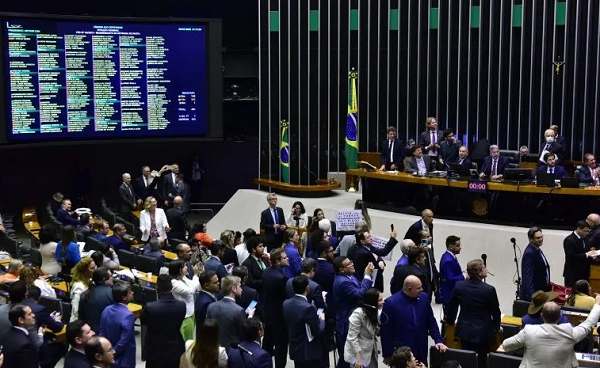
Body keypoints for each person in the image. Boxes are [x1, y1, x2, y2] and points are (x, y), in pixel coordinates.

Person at [500, 296, 600, 367]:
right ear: (560, 316)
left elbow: (506, 345)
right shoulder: (569, 331)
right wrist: (597, 304)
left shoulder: (528, 331)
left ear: (541, 316)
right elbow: (589, 324)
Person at [445, 259, 501, 368]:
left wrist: (450, 321)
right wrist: (497, 328)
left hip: (465, 330)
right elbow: (495, 311)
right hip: (483, 332)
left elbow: (452, 306)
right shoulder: (488, 289)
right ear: (479, 272)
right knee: (481, 362)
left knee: (467, 359)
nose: (487, 270)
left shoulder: (459, 286)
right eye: (484, 267)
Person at [381, 275, 447, 366]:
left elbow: (431, 321)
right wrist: (387, 354)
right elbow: (386, 331)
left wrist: (438, 340)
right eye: (418, 288)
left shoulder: (424, 298)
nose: (422, 290)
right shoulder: (391, 303)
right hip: (403, 354)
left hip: (421, 348)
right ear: (409, 289)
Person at [333, 256, 374, 368]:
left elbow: (360, 287)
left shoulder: (349, 277)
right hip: (346, 321)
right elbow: (359, 295)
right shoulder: (342, 282)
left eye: (351, 261)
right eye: (349, 264)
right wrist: (367, 275)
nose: (352, 264)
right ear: (342, 269)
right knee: (347, 357)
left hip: (351, 318)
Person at [141, 274, 186, 368]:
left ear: (157, 287)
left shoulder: (150, 307)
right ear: (171, 287)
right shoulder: (182, 306)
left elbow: (144, 322)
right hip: (175, 350)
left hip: (155, 351)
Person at [283, 275, 326, 368]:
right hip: (308, 352)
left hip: (295, 348)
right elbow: (317, 331)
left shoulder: (286, 303)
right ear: (307, 288)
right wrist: (322, 319)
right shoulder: (308, 308)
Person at [23, 285, 66, 368]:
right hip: (34, 343)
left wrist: (47, 317)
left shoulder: (19, 304)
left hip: (22, 338)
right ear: (39, 298)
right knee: (60, 347)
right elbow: (57, 328)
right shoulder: (40, 309)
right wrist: (57, 321)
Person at [206, 276, 253, 349]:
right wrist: (250, 317)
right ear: (234, 289)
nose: (241, 290)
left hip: (215, 350)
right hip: (233, 351)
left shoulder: (211, 306)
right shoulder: (239, 310)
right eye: (239, 287)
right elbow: (244, 334)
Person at [261, 248, 290, 368]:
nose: (287, 258)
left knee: (268, 341)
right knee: (281, 345)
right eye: (284, 257)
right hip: (279, 315)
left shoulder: (266, 271)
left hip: (268, 311)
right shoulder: (282, 278)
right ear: (278, 262)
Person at [344, 288, 384, 368]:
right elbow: (352, 338)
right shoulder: (357, 314)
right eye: (380, 300)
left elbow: (373, 330)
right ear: (372, 302)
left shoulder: (375, 311)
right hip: (358, 353)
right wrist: (358, 358)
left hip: (370, 350)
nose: (383, 302)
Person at [99, 282, 135, 368]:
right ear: (124, 297)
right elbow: (124, 340)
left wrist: (106, 352)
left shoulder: (106, 309)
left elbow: (102, 333)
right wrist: (113, 352)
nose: (133, 293)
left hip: (107, 355)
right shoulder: (128, 315)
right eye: (130, 292)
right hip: (124, 358)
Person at [168, 260, 200, 342]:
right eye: (184, 266)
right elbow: (191, 290)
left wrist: (195, 278)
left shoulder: (183, 278)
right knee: (186, 340)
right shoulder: (173, 283)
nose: (187, 268)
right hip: (184, 316)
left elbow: (194, 284)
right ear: (179, 269)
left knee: (190, 338)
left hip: (191, 312)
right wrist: (196, 275)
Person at [4, 303, 40, 368]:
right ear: (21, 320)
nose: (33, 315)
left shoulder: (6, 333)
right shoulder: (25, 345)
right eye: (29, 314)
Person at [78, 267, 114, 332]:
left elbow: (81, 317)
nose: (113, 278)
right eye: (111, 276)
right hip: (106, 332)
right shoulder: (112, 293)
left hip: (89, 332)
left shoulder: (84, 294)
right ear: (104, 279)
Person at [520, 227, 551, 301]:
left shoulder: (537, 249)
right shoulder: (530, 253)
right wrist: (532, 297)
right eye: (537, 238)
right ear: (531, 239)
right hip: (535, 294)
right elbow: (527, 276)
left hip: (541, 291)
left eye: (541, 237)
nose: (541, 239)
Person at [439, 236, 465, 317]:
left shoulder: (450, 256)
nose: (460, 248)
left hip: (452, 293)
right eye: (457, 246)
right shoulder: (448, 260)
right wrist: (463, 276)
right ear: (451, 246)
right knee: (450, 318)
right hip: (449, 295)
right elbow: (450, 279)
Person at [563, 220, 594, 288]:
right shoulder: (569, 240)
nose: (587, 233)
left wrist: (592, 252)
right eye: (585, 231)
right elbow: (571, 256)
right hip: (573, 274)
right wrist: (586, 254)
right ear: (578, 229)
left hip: (584, 273)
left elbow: (586, 250)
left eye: (588, 231)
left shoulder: (585, 239)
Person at [70, 257, 97, 322]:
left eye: (95, 266)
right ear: (84, 270)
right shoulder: (79, 287)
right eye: (92, 268)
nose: (95, 270)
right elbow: (76, 310)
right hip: (78, 322)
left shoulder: (90, 281)